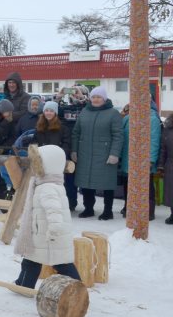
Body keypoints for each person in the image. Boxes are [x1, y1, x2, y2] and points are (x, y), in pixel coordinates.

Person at [14, 145, 81, 288]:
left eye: (37, 162)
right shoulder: (49, 184)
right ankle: (24, 285)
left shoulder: (47, 188)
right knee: (31, 261)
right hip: (41, 235)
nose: (34, 166)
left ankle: (77, 287)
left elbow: (54, 211)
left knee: (62, 264)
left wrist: (54, 229)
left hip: (49, 236)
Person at [71, 86, 123, 219]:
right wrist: (74, 151)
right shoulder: (84, 112)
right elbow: (76, 133)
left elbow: (118, 135)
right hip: (85, 154)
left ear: (104, 99)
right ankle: (88, 209)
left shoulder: (113, 113)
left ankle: (108, 211)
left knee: (107, 183)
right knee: (86, 182)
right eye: (94, 97)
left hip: (105, 155)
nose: (96, 99)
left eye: (99, 97)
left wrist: (114, 154)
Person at [118, 97, 161, 220]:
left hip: (145, 159)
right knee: (128, 184)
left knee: (146, 186)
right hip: (128, 158)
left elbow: (154, 141)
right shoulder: (127, 118)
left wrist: (151, 160)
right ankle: (128, 207)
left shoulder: (153, 119)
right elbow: (122, 137)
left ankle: (148, 211)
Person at [157, 115, 173, 224]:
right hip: (170, 164)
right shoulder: (168, 128)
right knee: (171, 190)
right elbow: (163, 149)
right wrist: (161, 165)